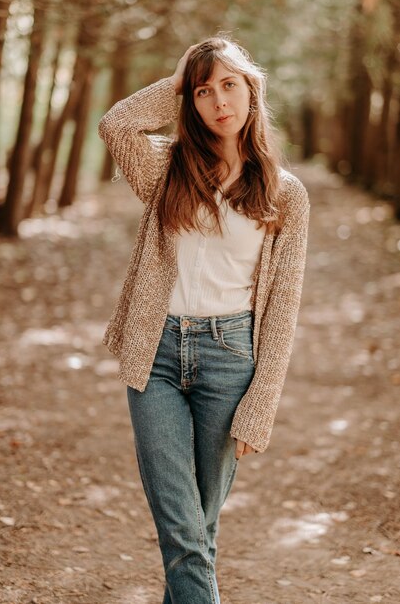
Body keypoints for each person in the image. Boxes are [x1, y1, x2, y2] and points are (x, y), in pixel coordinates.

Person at [98, 35, 310, 604]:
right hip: (157, 355)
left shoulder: (286, 194)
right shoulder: (165, 170)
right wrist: (178, 81)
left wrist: (260, 404)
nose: (219, 101)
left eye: (230, 85)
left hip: (230, 359)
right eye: (204, 91)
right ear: (188, 102)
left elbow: (283, 308)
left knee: (199, 531)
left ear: (251, 90)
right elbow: (117, 125)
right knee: (182, 528)